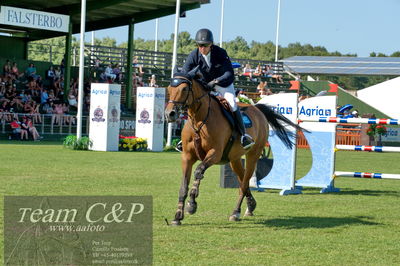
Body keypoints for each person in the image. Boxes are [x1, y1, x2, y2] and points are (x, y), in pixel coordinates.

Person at [181, 28, 254, 149]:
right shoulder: (194, 55)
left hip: (223, 84)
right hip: (204, 86)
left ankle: (243, 135)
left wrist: (215, 82)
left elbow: (229, 74)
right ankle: (186, 137)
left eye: (205, 45)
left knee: (232, 103)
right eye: (200, 45)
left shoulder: (220, 53)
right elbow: (185, 72)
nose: (202, 48)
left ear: (211, 44)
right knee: (190, 103)